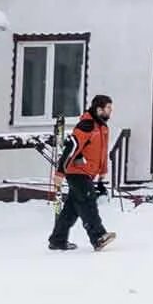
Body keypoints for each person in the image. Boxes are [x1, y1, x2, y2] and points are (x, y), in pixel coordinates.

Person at [48, 94, 120, 253]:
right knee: (88, 202)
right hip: (76, 172)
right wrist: (59, 173)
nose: (110, 111)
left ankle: (57, 240)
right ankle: (98, 237)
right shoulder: (86, 125)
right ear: (99, 109)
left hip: (88, 173)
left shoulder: (102, 127)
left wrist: (102, 173)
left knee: (71, 209)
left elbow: (101, 153)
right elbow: (71, 148)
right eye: (108, 108)